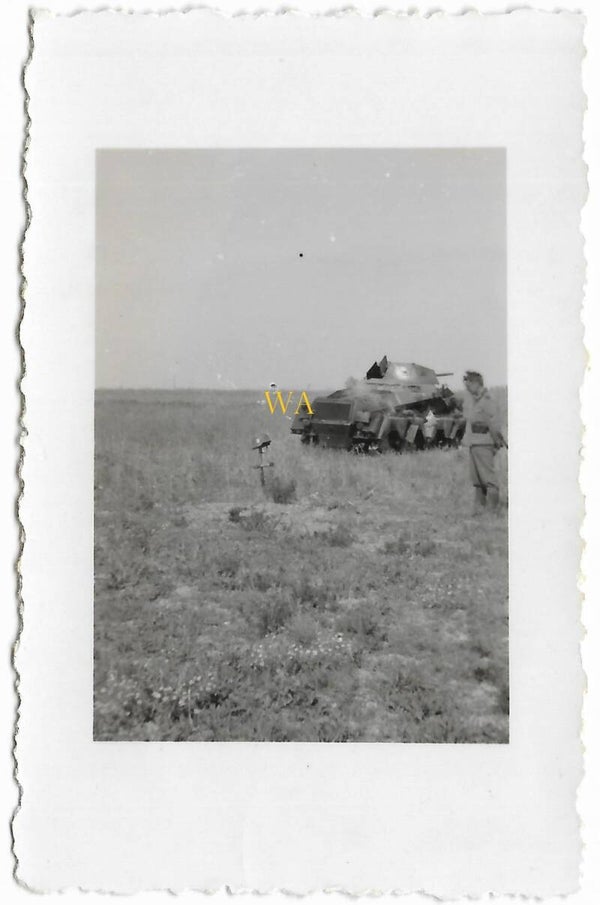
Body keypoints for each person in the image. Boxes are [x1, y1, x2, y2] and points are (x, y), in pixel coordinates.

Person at [462, 371, 506, 513]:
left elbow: (494, 423)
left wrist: (496, 442)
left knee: (488, 477)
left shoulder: (488, 400)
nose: (467, 388)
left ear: (476, 383)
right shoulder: (475, 400)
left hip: (484, 442)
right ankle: (479, 508)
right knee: (477, 479)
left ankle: (493, 509)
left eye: (469, 385)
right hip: (474, 443)